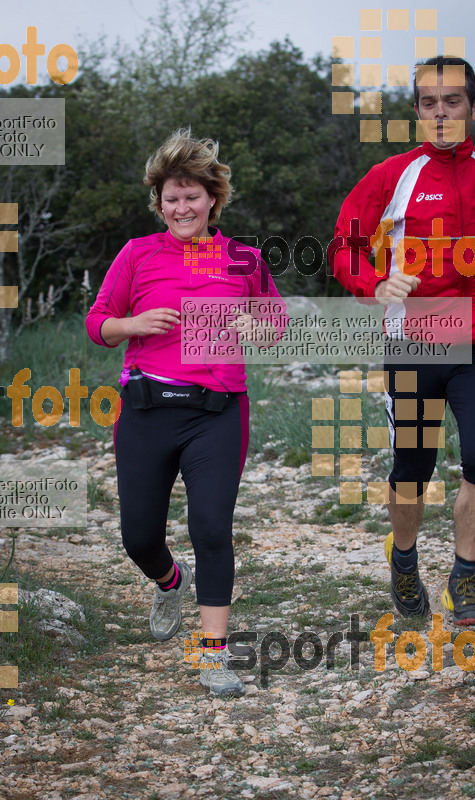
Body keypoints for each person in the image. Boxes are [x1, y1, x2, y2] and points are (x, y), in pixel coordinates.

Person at [331, 57, 475, 625]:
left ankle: (464, 579)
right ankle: (403, 558)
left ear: (474, 106)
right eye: (428, 103)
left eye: (452, 101)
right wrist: (376, 282)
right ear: (417, 110)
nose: (440, 113)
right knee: (413, 468)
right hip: (417, 343)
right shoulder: (391, 176)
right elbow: (343, 247)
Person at [86, 128, 286, 696]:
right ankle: (169, 581)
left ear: (212, 199)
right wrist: (133, 324)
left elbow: (275, 322)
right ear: (160, 205)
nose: (181, 207)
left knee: (211, 529)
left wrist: (258, 326)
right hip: (147, 410)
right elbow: (97, 321)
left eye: (191, 197)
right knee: (138, 538)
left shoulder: (243, 258)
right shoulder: (137, 254)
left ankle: (211, 656)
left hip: (218, 413)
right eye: (171, 199)